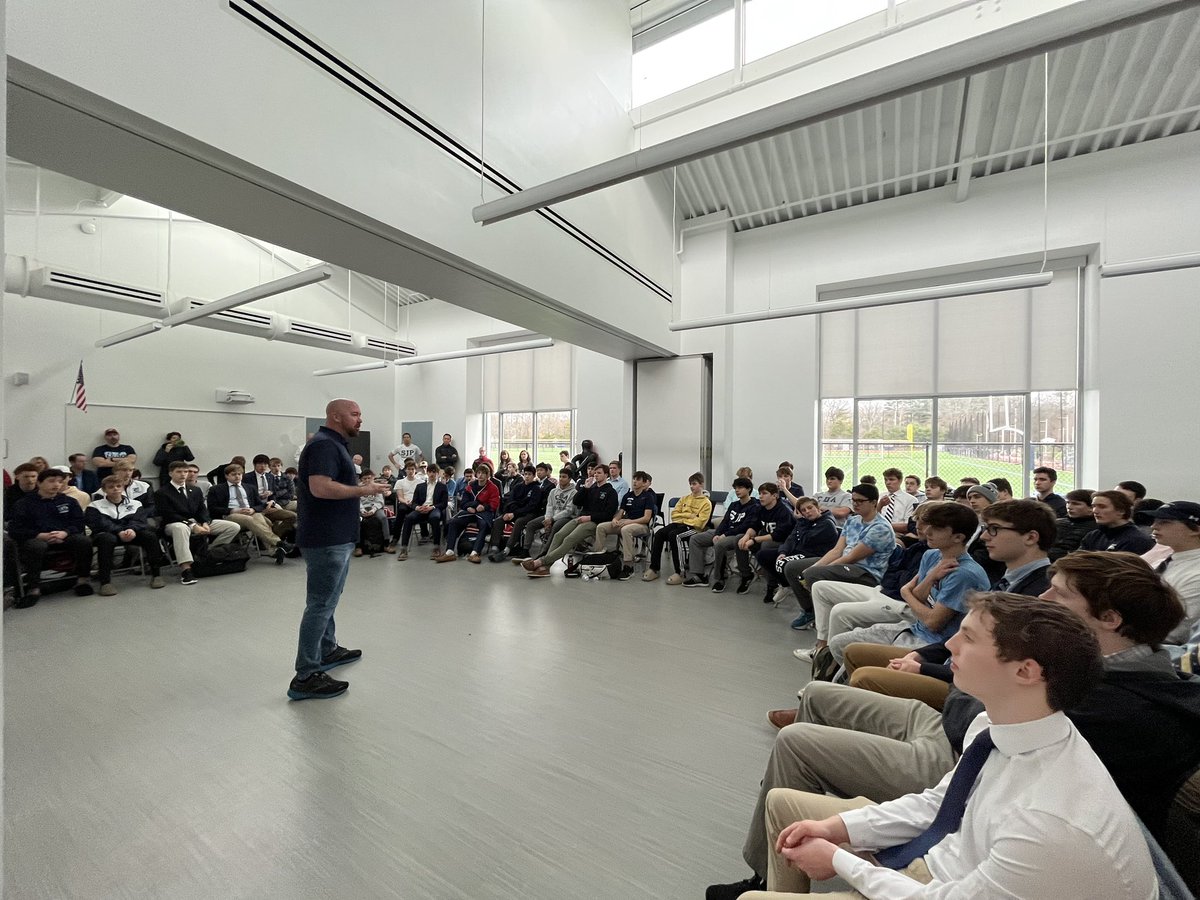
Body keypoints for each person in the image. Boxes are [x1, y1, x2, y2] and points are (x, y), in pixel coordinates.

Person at [749, 595, 1155, 900]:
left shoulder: (1047, 823)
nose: (952, 645)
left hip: (949, 884)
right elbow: (939, 805)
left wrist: (840, 861)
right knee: (787, 809)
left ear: (1025, 671)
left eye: (970, 637)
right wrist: (838, 831)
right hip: (949, 858)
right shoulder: (1001, 724)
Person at [289, 399, 391, 701]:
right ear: (336, 416)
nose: (360, 419)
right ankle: (305, 675)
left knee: (329, 599)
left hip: (336, 536)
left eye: (360, 413)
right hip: (326, 538)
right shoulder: (323, 445)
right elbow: (320, 487)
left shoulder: (335, 443)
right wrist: (365, 490)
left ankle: (327, 648)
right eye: (354, 414)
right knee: (320, 603)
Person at [819, 500, 989, 664]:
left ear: (958, 537)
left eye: (937, 528)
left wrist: (906, 592)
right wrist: (930, 577)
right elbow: (917, 596)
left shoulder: (963, 574)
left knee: (856, 653)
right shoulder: (932, 555)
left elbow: (932, 623)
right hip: (913, 628)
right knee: (838, 643)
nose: (927, 531)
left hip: (931, 644)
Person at [785, 483, 895, 630]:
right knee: (793, 568)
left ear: (874, 502)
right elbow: (837, 550)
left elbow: (852, 557)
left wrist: (815, 571)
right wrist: (814, 567)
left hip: (865, 572)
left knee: (812, 574)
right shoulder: (853, 520)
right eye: (853, 500)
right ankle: (809, 611)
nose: (855, 504)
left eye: (860, 501)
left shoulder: (880, 528)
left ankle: (825, 621)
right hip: (845, 564)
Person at [8, 468, 94, 604]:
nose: (56, 485)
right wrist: (40, 535)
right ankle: (33, 588)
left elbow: (78, 523)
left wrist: (65, 532)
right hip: (37, 538)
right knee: (36, 546)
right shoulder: (24, 503)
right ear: (40, 483)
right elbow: (15, 529)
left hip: (64, 535)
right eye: (51, 481)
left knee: (84, 541)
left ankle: (82, 580)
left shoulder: (69, 501)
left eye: (60, 481)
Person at [521, 463, 618, 578]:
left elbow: (608, 514)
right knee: (558, 535)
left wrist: (590, 518)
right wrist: (585, 489)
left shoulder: (611, 492)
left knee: (569, 539)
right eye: (595, 473)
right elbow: (577, 502)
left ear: (606, 475)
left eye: (599, 473)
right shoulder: (591, 489)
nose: (595, 475)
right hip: (580, 518)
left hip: (593, 522)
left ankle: (541, 562)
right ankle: (546, 567)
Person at [154, 461, 241, 586]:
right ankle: (186, 569)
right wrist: (192, 525)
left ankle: (208, 555)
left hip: (197, 522)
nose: (183, 474)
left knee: (233, 527)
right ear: (170, 473)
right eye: (179, 471)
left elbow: (202, 509)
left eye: (185, 471)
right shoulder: (162, 493)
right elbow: (169, 514)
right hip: (173, 524)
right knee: (181, 528)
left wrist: (205, 522)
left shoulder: (195, 490)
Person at [85, 475, 167, 594]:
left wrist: (132, 529)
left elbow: (140, 520)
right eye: (111, 487)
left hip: (131, 533)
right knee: (106, 540)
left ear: (123, 488)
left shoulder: (135, 503)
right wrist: (119, 531)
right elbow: (99, 523)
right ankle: (105, 582)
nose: (115, 489)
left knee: (150, 536)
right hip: (107, 534)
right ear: (104, 489)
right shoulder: (95, 506)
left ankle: (156, 575)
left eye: (118, 486)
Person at [207, 464, 294, 564]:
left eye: (239, 474)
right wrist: (232, 510)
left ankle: (275, 550)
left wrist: (253, 509)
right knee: (254, 520)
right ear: (226, 476)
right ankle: (279, 543)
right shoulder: (216, 489)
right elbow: (212, 508)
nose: (237, 476)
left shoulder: (249, 488)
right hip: (231, 516)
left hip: (250, 512)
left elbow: (260, 505)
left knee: (261, 519)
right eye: (233, 474)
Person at [682, 477, 758, 589]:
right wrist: (717, 534)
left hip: (738, 535)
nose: (737, 490)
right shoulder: (734, 505)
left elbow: (745, 527)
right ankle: (699, 575)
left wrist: (724, 535)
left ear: (749, 489)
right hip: (724, 532)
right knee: (695, 539)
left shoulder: (754, 506)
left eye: (740, 487)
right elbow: (725, 522)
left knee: (720, 544)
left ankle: (720, 578)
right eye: (736, 488)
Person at [1144, 500, 1200, 646]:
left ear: (1195, 529)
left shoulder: (1196, 573)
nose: (1153, 526)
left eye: (1165, 522)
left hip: (1159, 648)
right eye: (1155, 521)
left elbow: (1177, 630)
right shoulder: (1169, 560)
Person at [763, 497, 838, 604]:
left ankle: (807, 606)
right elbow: (792, 538)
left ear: (818, 508)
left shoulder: (826, 523)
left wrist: (801, 521)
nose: (807, 511)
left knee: (784, 564)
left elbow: (805, 540)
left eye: (810, 508)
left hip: (816, 555)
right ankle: (786, 584)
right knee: (764, 555)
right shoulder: (805, 522)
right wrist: (783, 552)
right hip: (801, 551)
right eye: (803, 510)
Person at [647, 473, 712, 584]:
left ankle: (680, 572)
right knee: (659, 534)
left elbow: (700, 523)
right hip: (680, 524)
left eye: (694, 484)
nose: (692, 486)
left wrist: (684, 517)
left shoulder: (706, 503)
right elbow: (674, 515)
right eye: (690, 484)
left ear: (701, 484)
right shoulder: (684, 498)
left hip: (694, 528)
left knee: (675, 536)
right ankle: (654, 568)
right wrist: (690, 516)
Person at [594, 470, 657, 580]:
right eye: (634, 479)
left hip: (641, 526)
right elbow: (621, 512)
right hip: (625, 523)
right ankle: (599, 559)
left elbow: (646, 518)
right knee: (601, 527)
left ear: (644, 483)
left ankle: (628, 566)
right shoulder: (628, 495)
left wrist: (629, 522)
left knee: (626, 529)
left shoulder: (648, 497)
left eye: (638, 480)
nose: (634, 482)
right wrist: (615, 519)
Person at [734, 484, 795, 595]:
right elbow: (754, 525)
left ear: (774, 496)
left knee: (765, 547)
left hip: (784, 542)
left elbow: (779, 534)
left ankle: (772, 585)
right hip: (765, 538)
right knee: (739, 540)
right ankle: (746, 575)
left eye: (765, 493)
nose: (761, 496)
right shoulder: (760, 508)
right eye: (760, 493)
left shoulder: (784, 510)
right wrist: (746, 536)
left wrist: (754, 540)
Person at [438, 464, 500, 563]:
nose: (480, 475)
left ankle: (474, 553)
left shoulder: (493, 488)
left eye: (483, 473)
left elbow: (494, 504)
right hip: (470, 512)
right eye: (479, 473)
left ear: (488, 475)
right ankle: (449, 552)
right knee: (453, 522)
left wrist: (484, 506)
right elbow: (463, 502)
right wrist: (469, 507)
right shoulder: (470, 486)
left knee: (483, 525)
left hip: (484, 513)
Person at [513, 468, 578, 562]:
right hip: (551, 516)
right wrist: (548, 518)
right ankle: (525, 551)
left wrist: (552, 519)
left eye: (564, 477)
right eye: (560, 476)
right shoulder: (553, 491)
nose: (561, 479)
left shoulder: (574, 492)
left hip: (566, 518)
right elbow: (549, 506)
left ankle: (545, 553)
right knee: (531, 524)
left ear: (569, 479)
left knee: (555, 526)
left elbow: (569, 511)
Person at [486, 465, 542, 562]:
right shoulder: (518, 486)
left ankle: (506, 550)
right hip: (514, 511)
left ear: (534, 476)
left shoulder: (536, 489)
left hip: (529, 514)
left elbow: (531, 506)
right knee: (499, 520)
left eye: (529, 474)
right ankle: (495, 547)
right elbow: (510, 501)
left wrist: (515, 514)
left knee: (519, 522)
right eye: (525, 474)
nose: (527, 476)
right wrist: (510, 512)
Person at [397, 463, 448, 560]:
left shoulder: (442, 486)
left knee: (435, 518)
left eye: (434, 472)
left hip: (434, 509)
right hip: (421, 509)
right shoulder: (420, 486)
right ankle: (404, 549)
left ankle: (436, 547)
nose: (432, 474)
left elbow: (444, 504)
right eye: (430, 472)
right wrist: (417, 508)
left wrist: (432, 507)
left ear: (438, 474)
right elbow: (414, 502)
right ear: (427, 473)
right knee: (408, 518)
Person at [1082, 489, 1156, 554]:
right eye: (1093, 506)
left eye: (1102, 507)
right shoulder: (1094, 535)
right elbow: (1077, 561)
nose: (1095, 511)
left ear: (1121, 511)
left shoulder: (1137, 540)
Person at [244, 454, 298, 537]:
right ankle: (272, 540)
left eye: (265, 464)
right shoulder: (247, 477)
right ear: (254, 465)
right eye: (260, 464)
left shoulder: (270, 476)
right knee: (267, 523)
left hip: (270, 505)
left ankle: (276, 535)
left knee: (292, 516)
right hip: (256, 508)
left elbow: (273, 493)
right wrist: (260, 499)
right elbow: (246, 496)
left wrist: (271, 502)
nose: (263, 466)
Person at [1049, 488, 1097, 559]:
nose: (1069, 507)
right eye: (1068, 503)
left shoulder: (1097, 529)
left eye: (1076, 504)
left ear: (1091, 508)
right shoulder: (1056, 523)